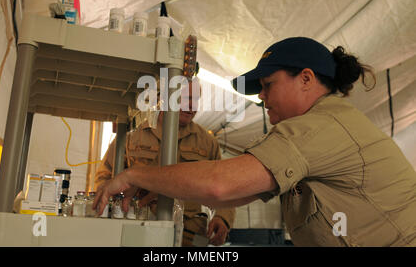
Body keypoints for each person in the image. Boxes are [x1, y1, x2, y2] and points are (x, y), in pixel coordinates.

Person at [94, 37, 416, 246]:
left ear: (306, 79)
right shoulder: (324, 123)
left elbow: (220, 185)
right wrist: (160, 186)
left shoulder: (318, 126)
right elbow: (236, 193)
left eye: (267, 85)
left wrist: (134, 175)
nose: (261, 97)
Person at [94, 79, 235, 246]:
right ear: (164, 98)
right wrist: (112, 208)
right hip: (140, 225)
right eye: (185, 98)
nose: (192, 106)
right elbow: (105, 176)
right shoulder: (132, 136)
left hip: (189, 233)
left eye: (196, 99)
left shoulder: (207, 142)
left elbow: (225, 183)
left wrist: (223, 218)